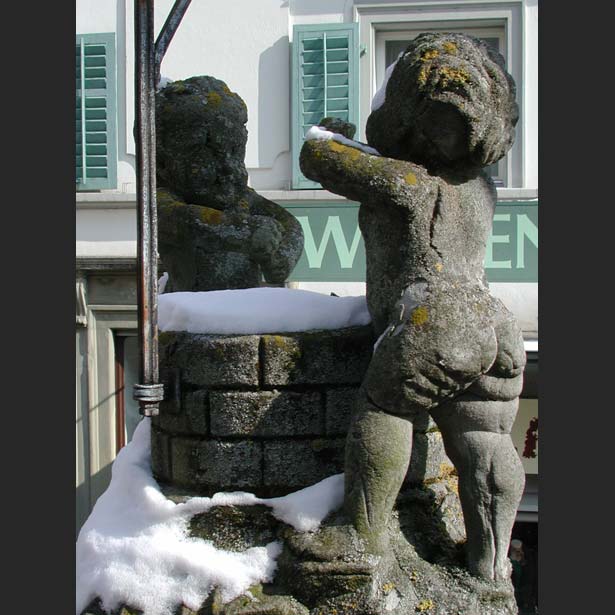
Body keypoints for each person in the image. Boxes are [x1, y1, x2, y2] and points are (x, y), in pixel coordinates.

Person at [300, 32, 524, 580]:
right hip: (494, 323)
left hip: (437, 317)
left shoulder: (408, 182)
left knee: (384, 408)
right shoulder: (483, 188)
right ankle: (490, 565)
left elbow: (319, 159)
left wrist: (332, 134)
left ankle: (364, 534)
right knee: (485, 438)